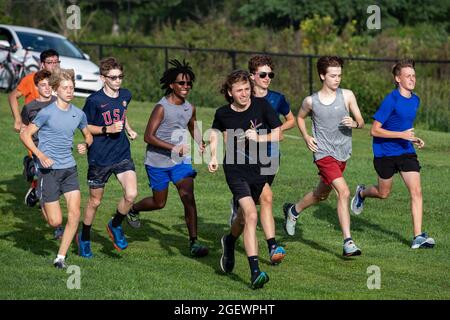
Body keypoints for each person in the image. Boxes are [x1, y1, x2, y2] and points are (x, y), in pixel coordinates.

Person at [125, 59, 209, 258]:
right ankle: (133, 209)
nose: (186, 87)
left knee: (188, 197)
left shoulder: (190, 107)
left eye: (189, 83)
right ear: (172, 85)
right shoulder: (161, 107)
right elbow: (148, 137)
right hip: (157, 162)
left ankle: (194, 242)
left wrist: (200, 142)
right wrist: (174, 147)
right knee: (159, 203)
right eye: (181, 83)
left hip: (180, 161)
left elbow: (191, 126)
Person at [282, 56, 364, 257]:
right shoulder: (311, 101)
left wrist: (354, 123)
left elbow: (361, 121)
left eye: (339, 75)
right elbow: (300, 117)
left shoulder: (347, 96)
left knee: (321, 194)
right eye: (333, 76)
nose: (337, 79)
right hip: (323, 153)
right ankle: (348, 242)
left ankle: (293, 211)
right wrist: (306, 136)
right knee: (343, 192)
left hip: (342, 153)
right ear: (322, 76)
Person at [209, 70, 282, 289]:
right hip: (235, 170)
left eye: (247, 89)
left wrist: (260, 136)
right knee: (251, 214)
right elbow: (214, 131)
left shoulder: (261, 106)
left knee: (242, 218)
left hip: (259, 168)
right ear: (230, 93)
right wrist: (213, 155)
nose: (244, 94)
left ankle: (229, 240)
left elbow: (279, 133)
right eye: (239, 90)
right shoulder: (223, 113)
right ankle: (255, 272)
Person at [350, 59, 435, 249]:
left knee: (416, 191)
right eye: (408, 76)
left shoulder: (415, 99)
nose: (412, 79)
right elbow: (374, 130)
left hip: (405, 151)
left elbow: (403, 126)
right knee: (383, 193)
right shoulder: (391, 100)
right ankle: (362, 193)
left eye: (414, 75)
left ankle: (418, 237)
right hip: (384, 152)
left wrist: (413, 138)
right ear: (398, 78)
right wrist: (401, 135)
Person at [20, 68, 93, 268]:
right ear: (56, 90)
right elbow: (25, 135)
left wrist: (85, 144)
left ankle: (60, 257)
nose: (69, 91)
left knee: (75, 213)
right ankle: (38, 190)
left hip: (69, 168)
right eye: (65, 88)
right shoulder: (46, 113)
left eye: (71, 88)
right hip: (48, 170)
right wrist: (40, 155)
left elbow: (88, 135)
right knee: (54, 222)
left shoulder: (78, 114)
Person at [228, 55, 296, 265]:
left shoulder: (277, 99)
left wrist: (274, 129)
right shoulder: (243, 97)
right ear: (252, 76)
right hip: (246, 156)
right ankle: (271, 246)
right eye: (263, 74)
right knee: (265, 196)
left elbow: (291, 120)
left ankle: (237, 215)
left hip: (270, 154)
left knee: (258, 198)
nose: (267, 78)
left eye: (270, 75)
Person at [77, 57, 138, 257]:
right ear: (103, 78)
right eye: (113, 78)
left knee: (131, 194)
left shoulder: (126, 95)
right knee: (95, 202)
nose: (118, 81)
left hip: (121, 153)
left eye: (120, 76)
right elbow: (85, 127)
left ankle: (115, 225)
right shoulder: (94, 101)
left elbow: (122, 112)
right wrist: (107, 128)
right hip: (99, 157)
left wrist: (128, 129)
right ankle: (84, 237)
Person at [20, 70, 63, 239]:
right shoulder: (29, 107)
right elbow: (24, 130)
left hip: (61, 152)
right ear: (36, 87)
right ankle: (58, 228)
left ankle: (37, 191)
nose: (46, 88)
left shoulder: (58, 102)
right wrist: (32, 151)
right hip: (40, 153)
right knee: (50, 194)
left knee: (57, 189)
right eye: (42, 85)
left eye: (49, 85)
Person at [9, 49, 60, 132]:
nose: (54, 65)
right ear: (42, 64)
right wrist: (18, 120)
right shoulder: (32, 79)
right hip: (34, 127)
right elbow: (12, 96)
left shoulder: (61, 80)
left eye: (56, 62)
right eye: (50, 62)